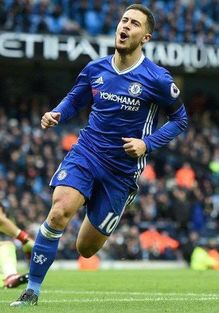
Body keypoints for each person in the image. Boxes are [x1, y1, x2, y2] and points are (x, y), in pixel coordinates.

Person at [10, 3, 188, 306]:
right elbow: (75, 98)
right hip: (87, 153)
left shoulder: (157, 79)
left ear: (145, 37)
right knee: (58, 212)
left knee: (86, 248)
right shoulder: (96, 68)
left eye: (134, 23)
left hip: (121, 171)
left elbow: (180, 120)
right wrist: (57, 113)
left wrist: (148, 144)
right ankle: (32, 291)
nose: (126, 26)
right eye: (124, 20)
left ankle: (101, 206)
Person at [0, 200, 34, 288]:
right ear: (0, 210)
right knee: (5, 246)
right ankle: (11, 276)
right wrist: (24, 239)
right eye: (5, 216)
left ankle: (10, 280)